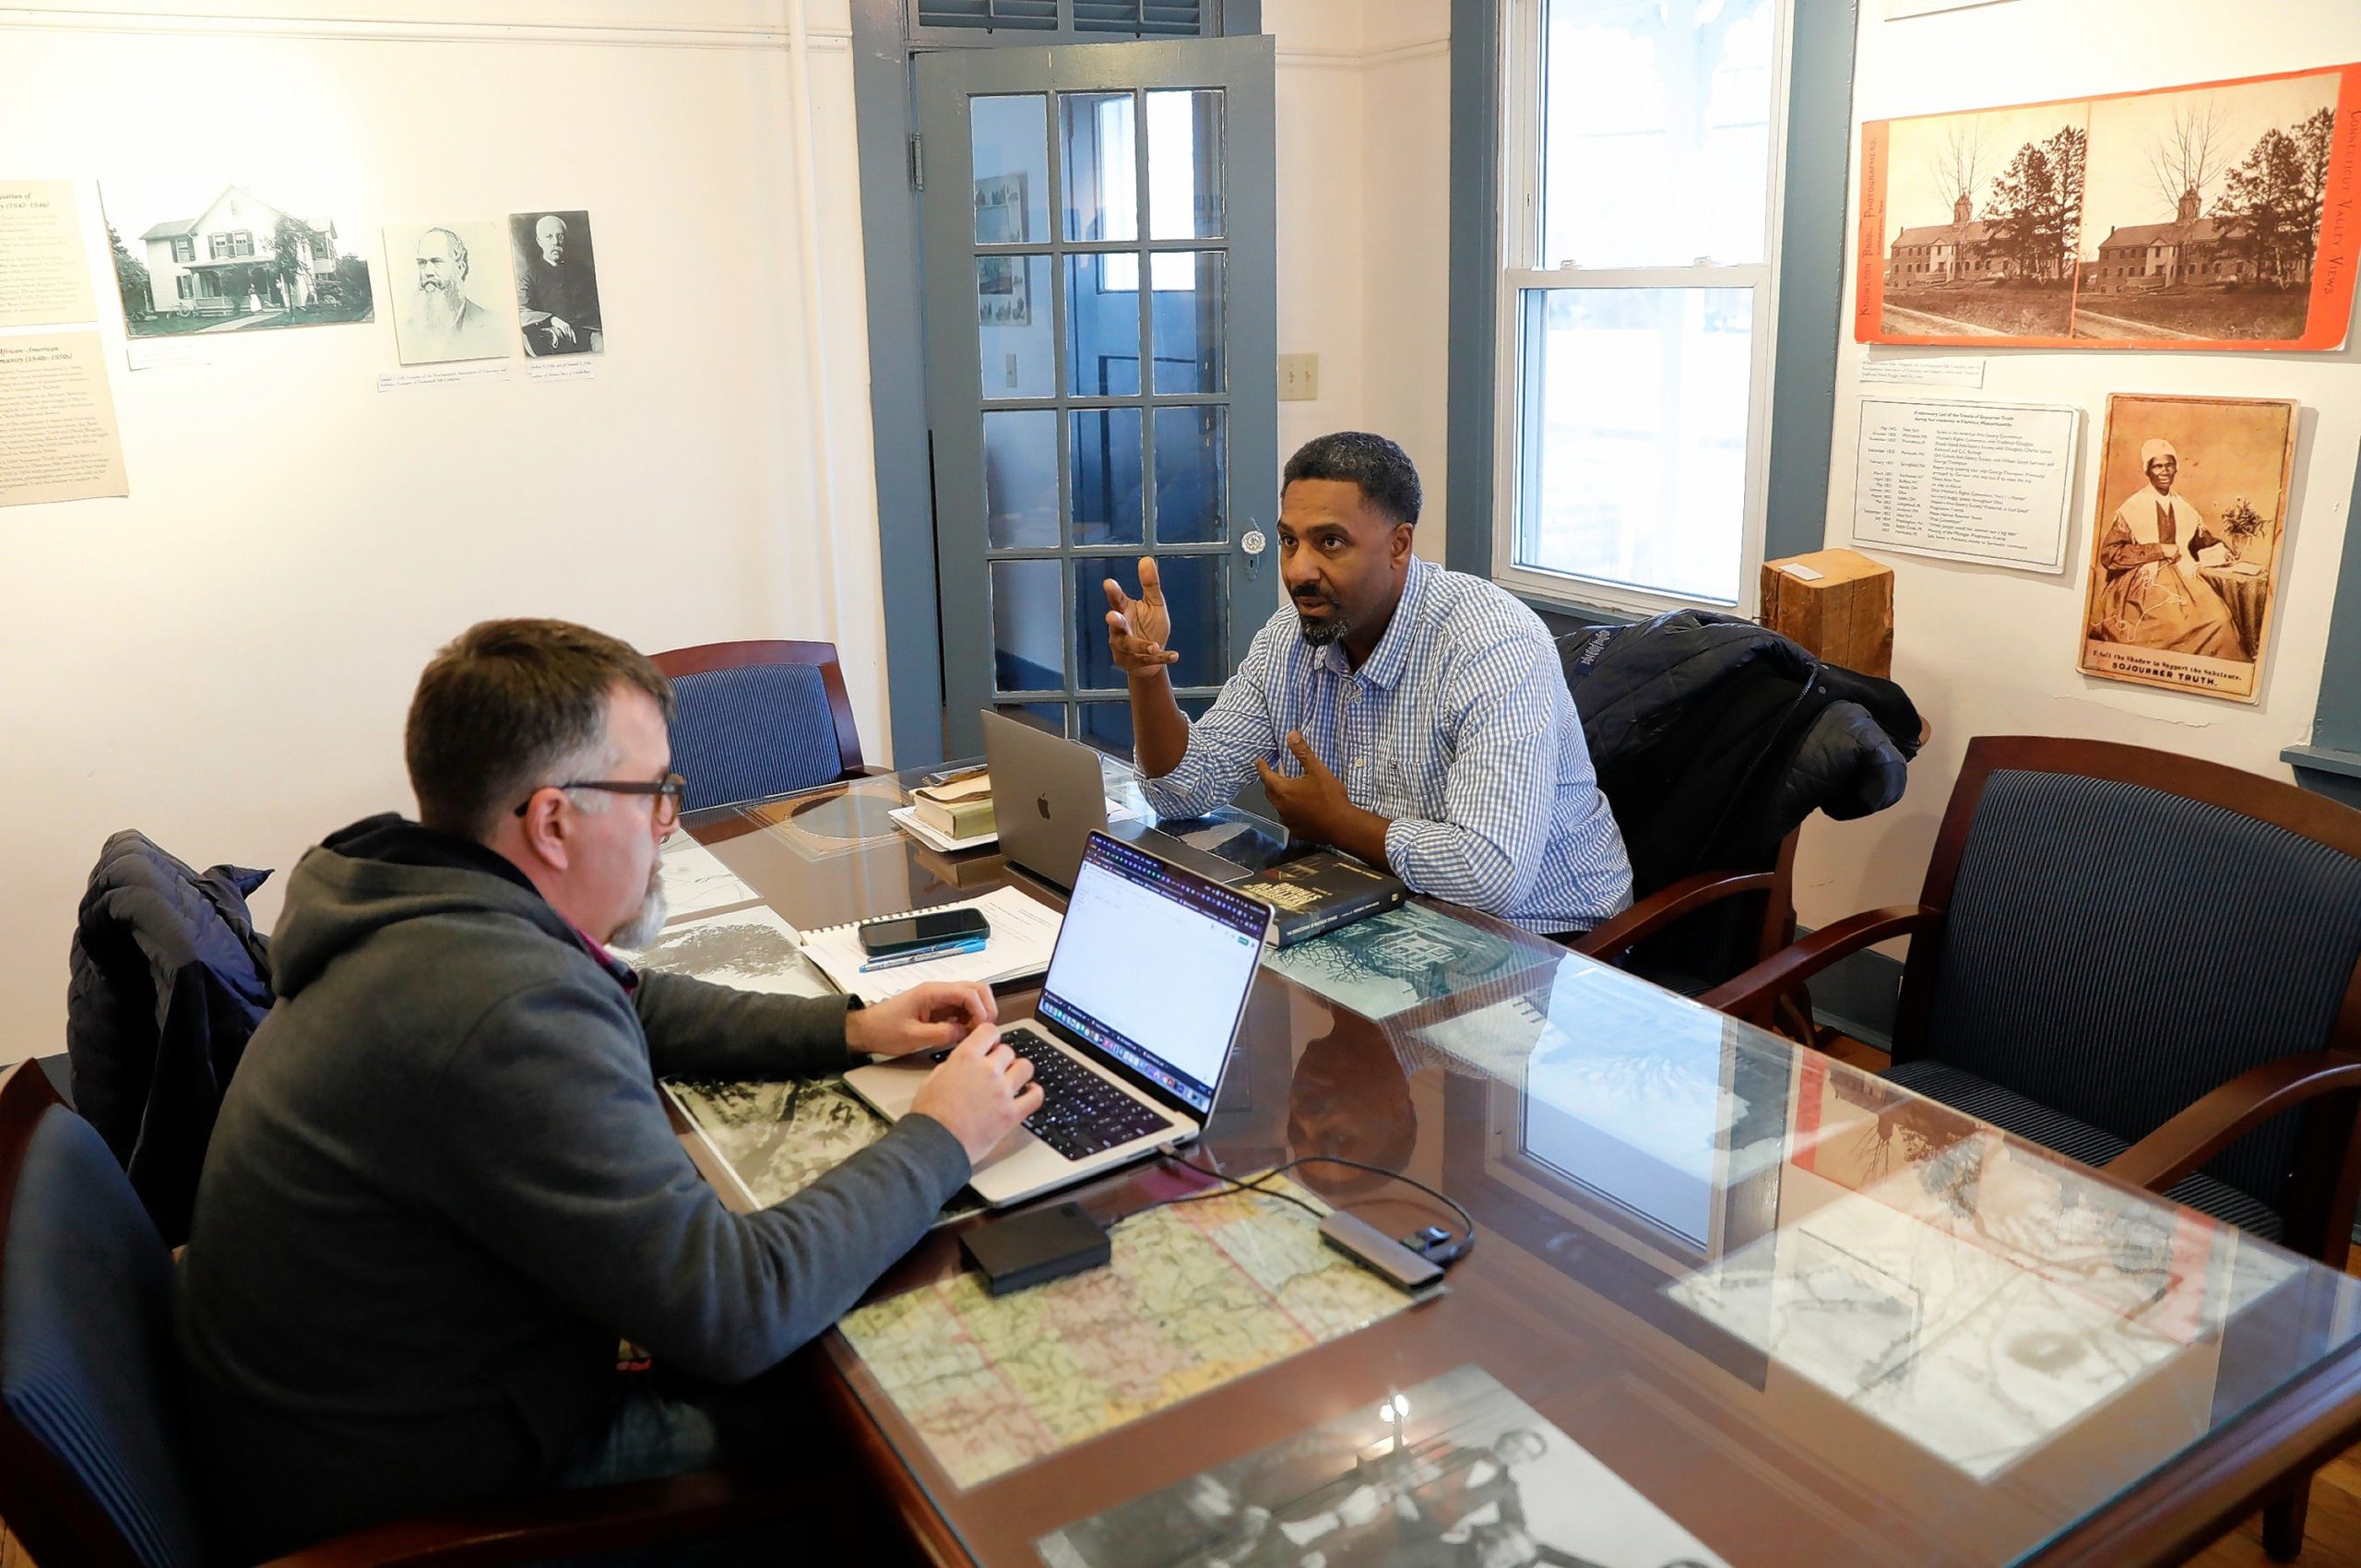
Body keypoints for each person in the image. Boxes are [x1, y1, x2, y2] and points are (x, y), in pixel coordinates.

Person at [176, 618, 1043, 1562]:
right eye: (655, 795)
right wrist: (941, 1135)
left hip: (368, 1411)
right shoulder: (498, 1009)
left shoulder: (424, 903)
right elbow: (737, 1306)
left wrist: (850, 1027)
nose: (666, 823)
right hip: (421, 1500)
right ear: (553, 820)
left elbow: (633, 999)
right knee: (906, 1391)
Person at [1104, 432, 1631, 935]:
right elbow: (1182, 792)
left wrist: (1338, 822)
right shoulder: (1288, 639)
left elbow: (1491, 873)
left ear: (1399, 545)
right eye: (1290, 541)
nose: (1298, 570)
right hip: (1384, 907)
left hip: (1549, 940)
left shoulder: (1492, 644)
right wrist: (1149, 676)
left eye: (1330, 542)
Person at [2091, 437, 2242, 658]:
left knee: (2220, 621)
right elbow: (2110, 555)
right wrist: (2159, 549)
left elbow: (2201, 541)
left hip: (2184, 577)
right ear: (2148, 470)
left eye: (2169, 465)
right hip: (2141, 583)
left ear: (2176, 469)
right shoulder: (2132, 508)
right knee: (2168, 629)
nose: (2164, 471)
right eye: (2158, 466)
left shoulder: (2185, 508)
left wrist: (2221, 547)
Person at [517, 212, 599, 355]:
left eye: (560, 236)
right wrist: (551, 320)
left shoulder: (582, 269)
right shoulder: (529, 276)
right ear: (539, 241)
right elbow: (521, 311)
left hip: (590, 334)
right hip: (558, 338)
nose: (555, 242)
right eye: (549, 237)